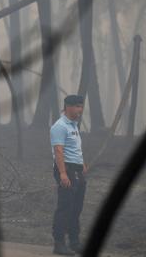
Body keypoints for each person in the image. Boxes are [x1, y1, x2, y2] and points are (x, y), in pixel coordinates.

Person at [50, 95, 87, 255]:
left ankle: (74, 241)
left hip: (77, 170)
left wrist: (82, 164)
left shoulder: (73, 125)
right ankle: (59, 243)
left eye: (81, 106)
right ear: (68, 107)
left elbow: (75, 149)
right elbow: (59, 150)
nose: (80, 110)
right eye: (77, 106)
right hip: (66, 170)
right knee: (65, 206)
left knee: (76, 207)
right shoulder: (59, 126)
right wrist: (63, 173)